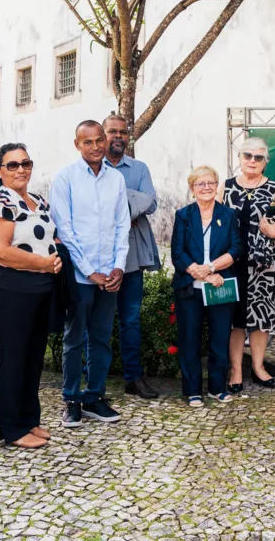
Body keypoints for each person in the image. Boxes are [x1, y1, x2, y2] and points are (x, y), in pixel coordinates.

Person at [50, 120, 131, 428]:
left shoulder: (116, 179)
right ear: (77, 144)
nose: (96, 146)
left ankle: (94, 396)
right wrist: (90, 271)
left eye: (99, 140)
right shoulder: (65, 178)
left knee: (101, 339)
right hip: (80, 278)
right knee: (73, 339)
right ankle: (71, 399)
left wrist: (118, 267)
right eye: (88, 142)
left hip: (110, 276)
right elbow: (65, 230)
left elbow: (122, 225)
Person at [0, 143, 62, 449]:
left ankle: (30, 419)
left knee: (33, 357)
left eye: (25, 163)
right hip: (10, 288)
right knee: (14, 358)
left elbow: (48, 236)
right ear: (0, 171)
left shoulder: (38, 200)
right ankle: (12, 430)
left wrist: (55, 256)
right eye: (12, 165)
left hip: (40, 288)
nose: (20, 170)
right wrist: (43, 263)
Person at [222, 138, 275, 393]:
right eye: (247, 155)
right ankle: (237, 371)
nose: (252, 160)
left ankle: (259, 368)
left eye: (258, 157)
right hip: (231, 263)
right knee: (235, 320)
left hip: (265, 264)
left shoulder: (274, 188)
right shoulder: (226, 187)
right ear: (239, 158)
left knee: (261, 317)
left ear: (265, 162)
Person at [171, 166, 243, 407]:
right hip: (190, 287)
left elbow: (236, 249)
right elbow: (177, 252)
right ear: (192, 189)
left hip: (220, 285)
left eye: (211, 182)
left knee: (219, 339)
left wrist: (211, 269)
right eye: (200, 184)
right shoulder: (183, 215)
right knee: (189, 340)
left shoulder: (228, 214)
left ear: (216, 185)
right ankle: (192, 391)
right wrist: (200, 273)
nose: (206, 187)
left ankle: (216, 388)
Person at [102, 114, 162, 400]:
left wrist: (113, 202)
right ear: (102, 136)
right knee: (97, 320)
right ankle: (95, 382)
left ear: (129, 137)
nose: (118, 136)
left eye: (123, 132)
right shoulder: (90, 167)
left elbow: (150, 202)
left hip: (133, 256)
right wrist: (128, 204)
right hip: (99, 256)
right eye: (112, 131)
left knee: (131, 320)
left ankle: (133, 378)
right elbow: (91, 205)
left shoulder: (139, 168)